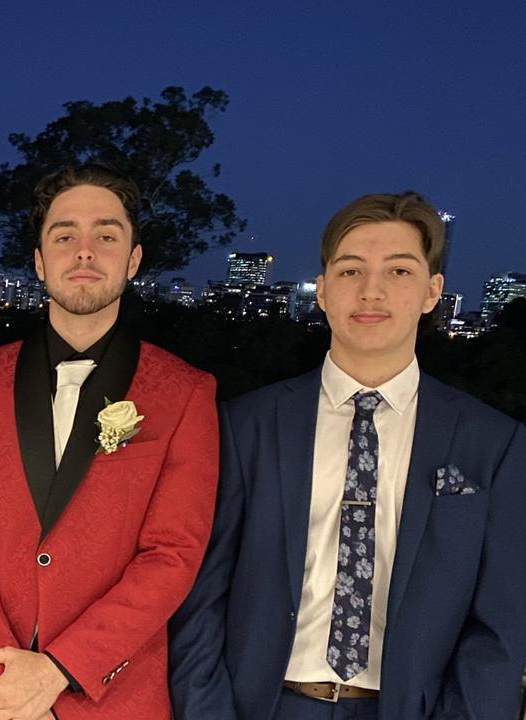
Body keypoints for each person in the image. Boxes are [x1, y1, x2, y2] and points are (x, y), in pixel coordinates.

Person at [169, 192, 526, 719]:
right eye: (350, 270)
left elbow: (499, 626)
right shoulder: (245, 425)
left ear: (433, 292)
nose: (371, 290)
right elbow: (198, 598)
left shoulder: (492, 443)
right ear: (324, 290)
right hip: (262, 705)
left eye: (399, 271)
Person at [0, 164, 219, 719]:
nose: (85, 252)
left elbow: (173, 555)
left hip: (107, 695)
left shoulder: (185, 393)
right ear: (39, 260)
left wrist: (59, 669)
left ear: (133, 258)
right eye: (64, 236)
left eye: (106, 236)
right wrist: (2, 678)